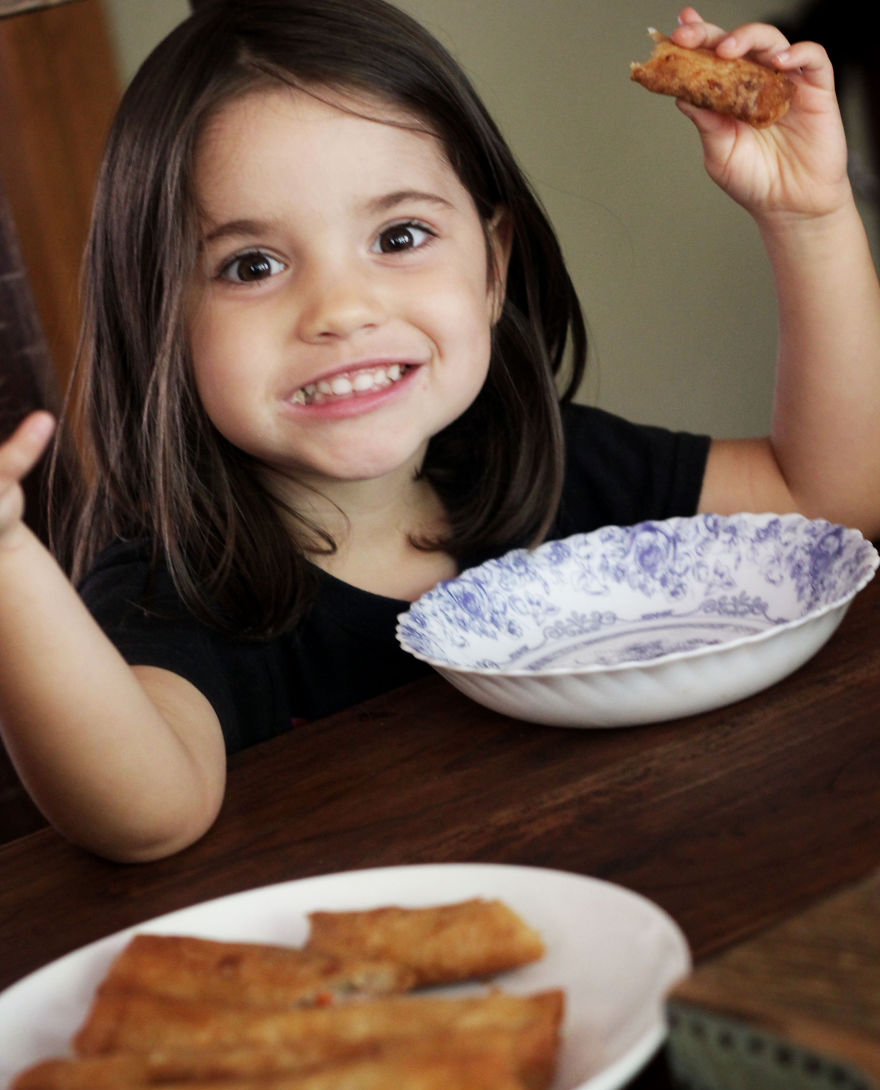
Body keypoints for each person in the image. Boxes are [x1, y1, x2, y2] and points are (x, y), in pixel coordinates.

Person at [0, 1, 878, 862]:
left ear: (493, 268)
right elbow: (147, 815)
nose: (341, 310)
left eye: (400, 235)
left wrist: (810, 217)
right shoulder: (176, 594)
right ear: (159, 322)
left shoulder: (557, 473)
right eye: (252, 265)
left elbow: (834, 501)